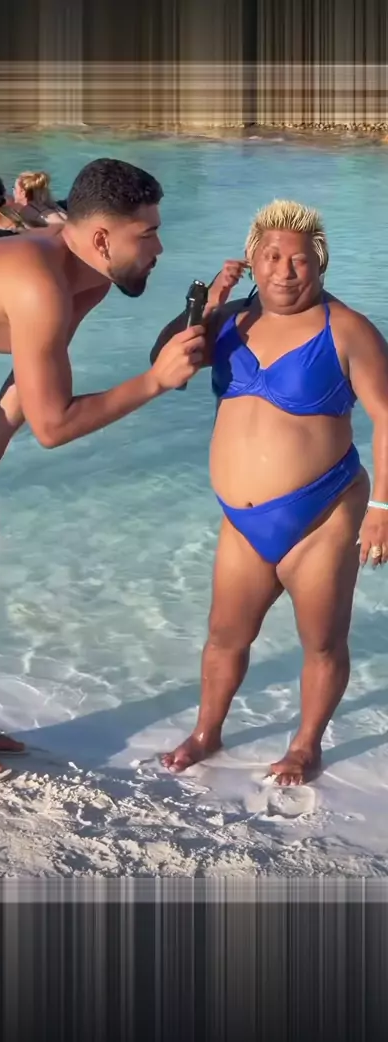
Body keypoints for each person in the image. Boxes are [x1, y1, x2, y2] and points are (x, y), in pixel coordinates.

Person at [0, 157, 205, 788]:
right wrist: (154, 381)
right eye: (147, 234)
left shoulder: (85, 278)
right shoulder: (38, 283)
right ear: (102, 238)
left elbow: (28, 383)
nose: (159, 248)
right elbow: (54, 424)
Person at [151, 199, 388, 786]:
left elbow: (386, 417)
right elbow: (164, 363)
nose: (285, 270)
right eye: (272, 256)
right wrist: (207, 306)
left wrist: (382, 507)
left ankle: (305, 746)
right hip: (241, 520)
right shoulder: (228, 321)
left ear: (320, 263)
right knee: (224, 636)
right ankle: (207, 732)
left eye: (299, 259)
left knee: (322, 642)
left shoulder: (348, 329)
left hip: (322, 514)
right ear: (252, 260)